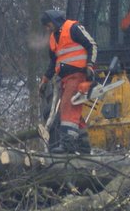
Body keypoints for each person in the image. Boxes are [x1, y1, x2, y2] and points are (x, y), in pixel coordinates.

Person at [39, 9, 98, 154]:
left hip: (78, 75)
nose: (47, 29)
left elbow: (92, 45)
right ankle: (84, 145)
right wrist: (45, 79)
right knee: (72, 111)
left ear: (53, 21)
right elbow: (53, 62)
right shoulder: (53, 38)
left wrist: (90, 66)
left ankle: (68, 144)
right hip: (64, 79)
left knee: (68, 105)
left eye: (48, 25)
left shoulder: (73, 28)